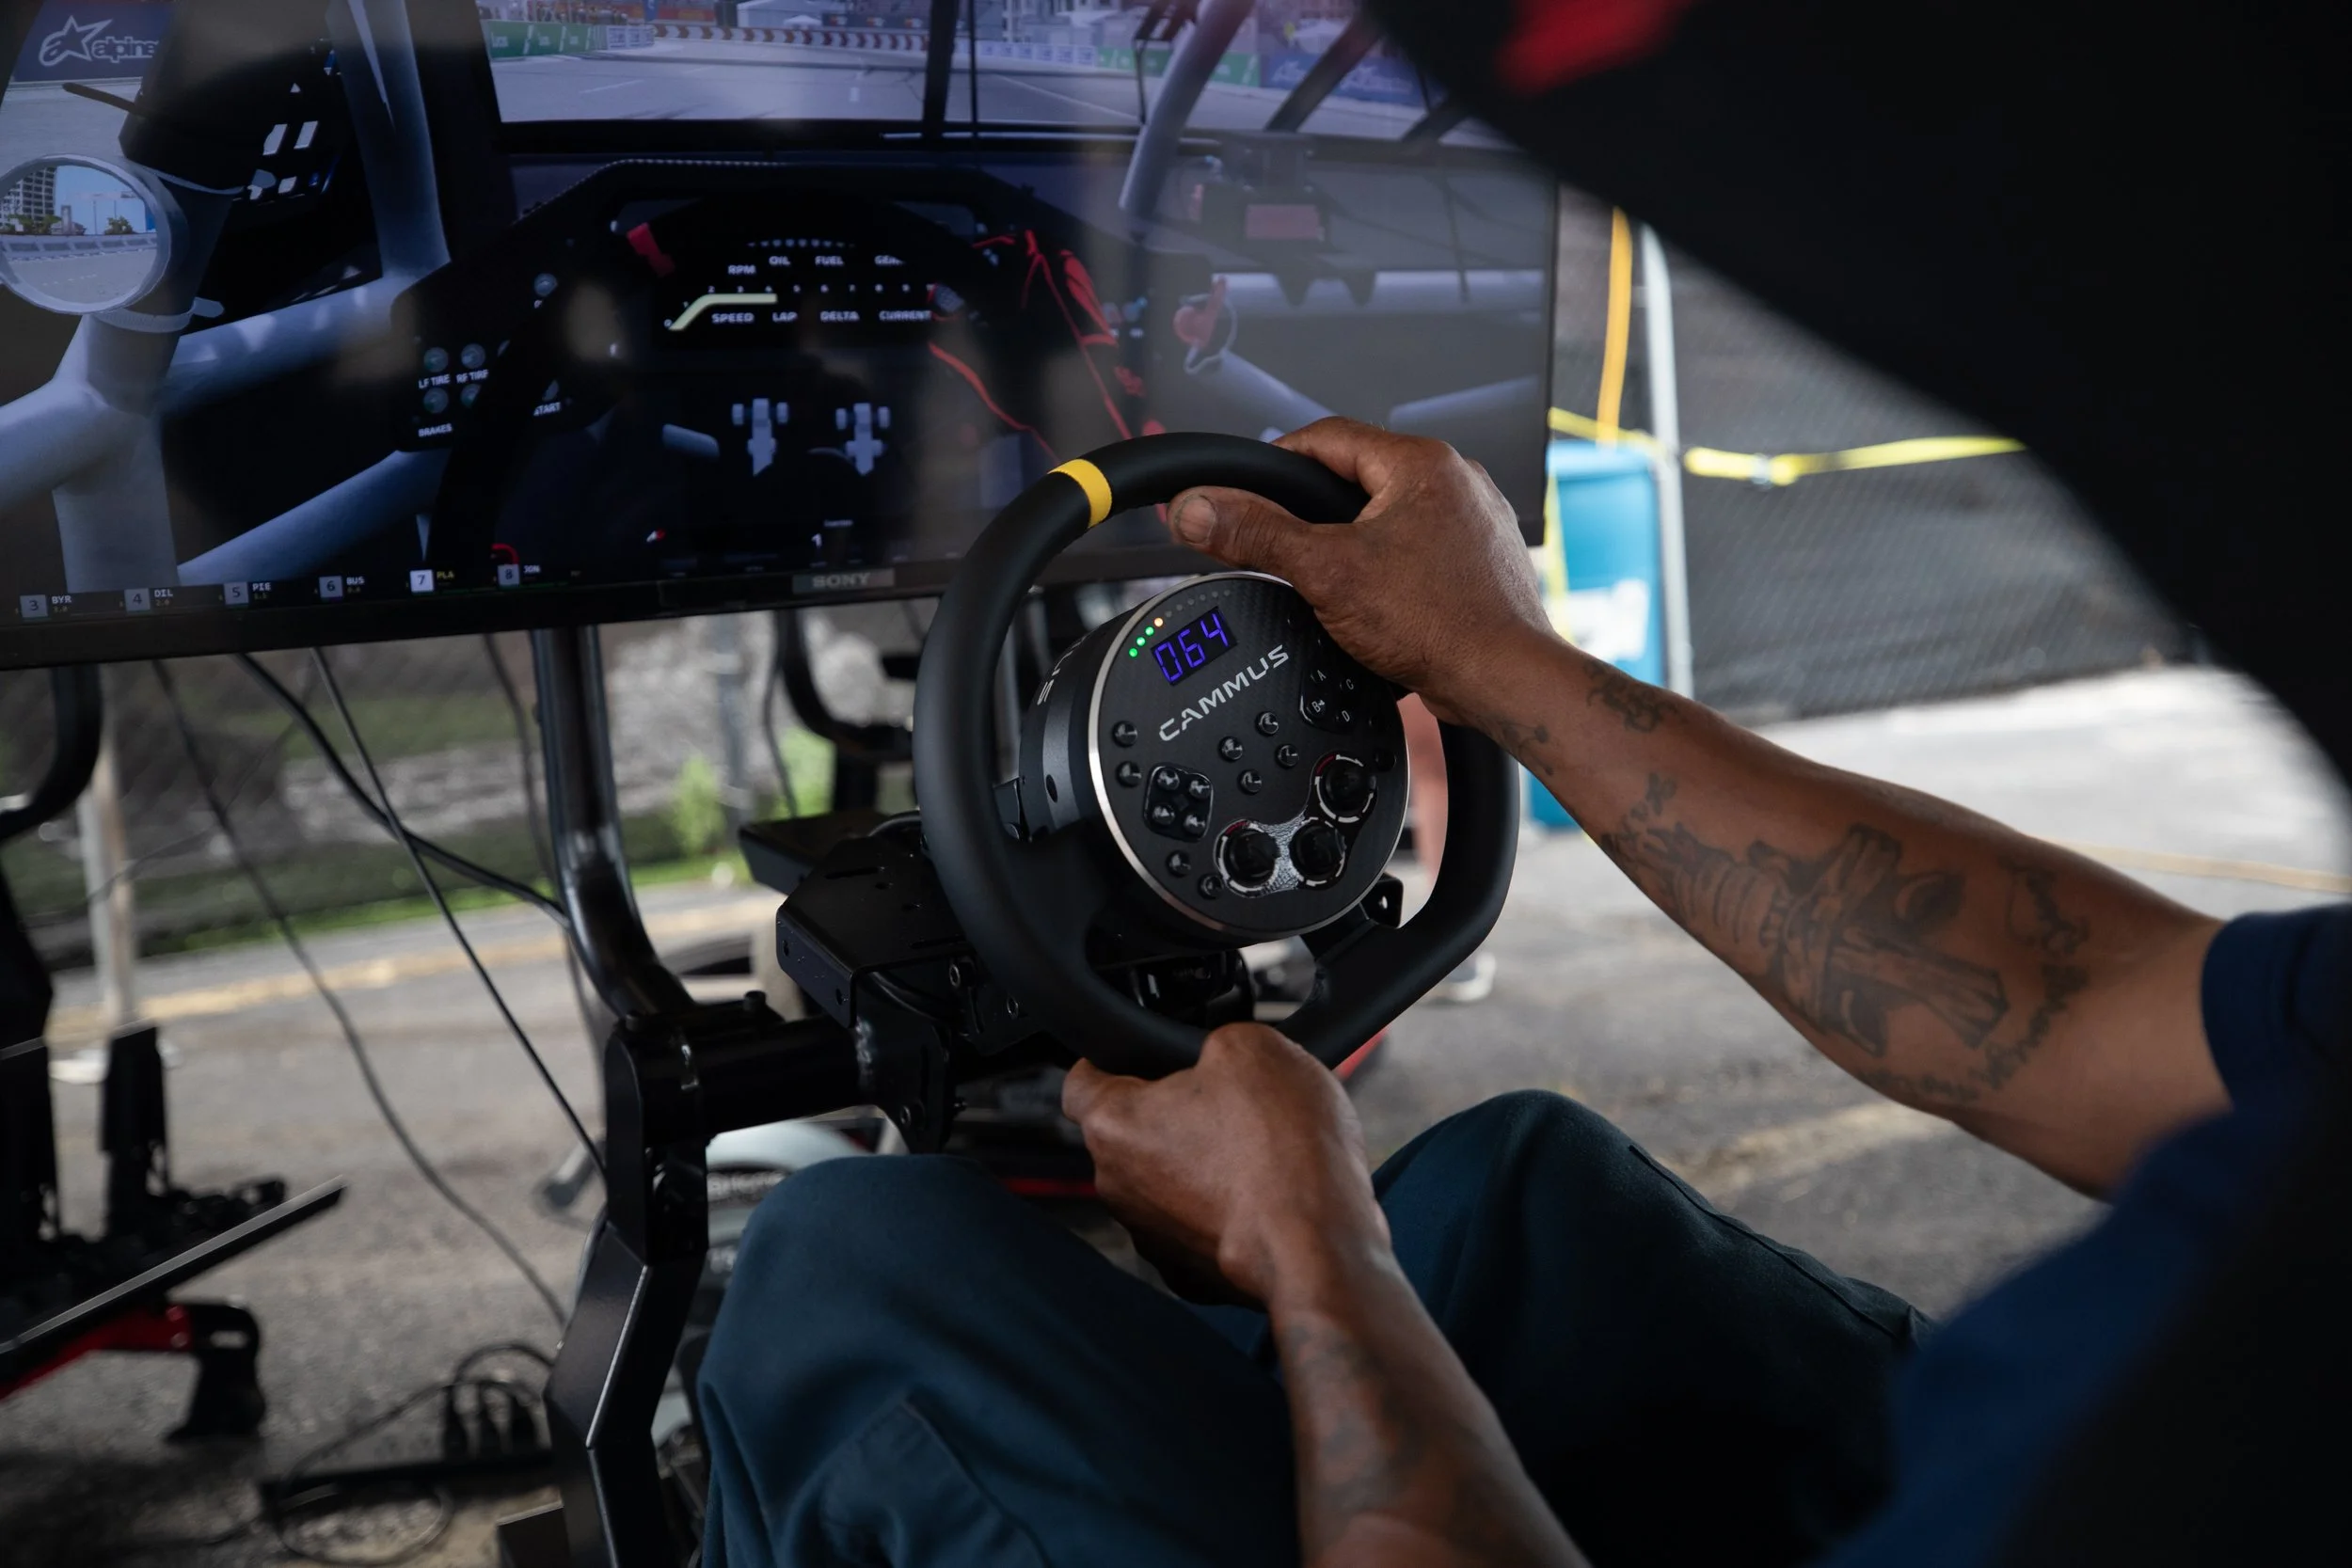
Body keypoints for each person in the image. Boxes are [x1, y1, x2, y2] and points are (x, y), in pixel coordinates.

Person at [696, 420, 2344, 1568]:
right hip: (2040, 1448)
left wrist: (1309, 1245)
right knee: (1518, 1190)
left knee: (859, 1266)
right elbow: (2079, 1000)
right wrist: (1500, 659)